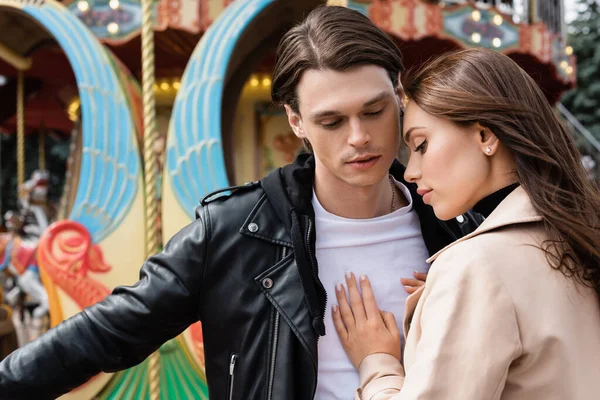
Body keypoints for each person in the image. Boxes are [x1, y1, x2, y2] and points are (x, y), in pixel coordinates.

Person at [0, 7, 479, 399]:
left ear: (398, 93)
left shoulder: (460, 224)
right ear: (295, 122)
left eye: (373, 111)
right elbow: (108, 332)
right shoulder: (235, 229)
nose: (359, 137)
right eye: (331, 122)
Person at [332, 48, 600, 400]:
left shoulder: (479, 266)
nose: (410, 172)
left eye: (422, 145)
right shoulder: (573, 234)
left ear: (485, 136)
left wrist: (378, 363)